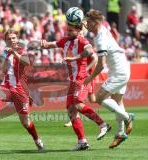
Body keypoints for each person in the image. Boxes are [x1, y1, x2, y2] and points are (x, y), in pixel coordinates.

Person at [40, 16, 111, 151]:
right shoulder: (65, 41)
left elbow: (90, 51)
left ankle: (103, 124)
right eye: (67, 30)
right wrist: (44, 44)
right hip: (72, 81)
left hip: (81, 78)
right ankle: (82, 141)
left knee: (78, 104)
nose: (68, 32)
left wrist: (74, 57)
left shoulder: (82, 41)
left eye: (71, 30)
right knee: (71, 110)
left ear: (78, 31)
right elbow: (52, 44)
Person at [0, 29, 45, 151]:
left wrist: (14, 53)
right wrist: (7, 57)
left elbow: (27, 62)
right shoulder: (6, 53)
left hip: (20, 89)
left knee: (25, 122)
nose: (11, 40)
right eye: (8, 39)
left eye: (13, 38)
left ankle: (37, 140)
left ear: (17, 39)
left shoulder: (23, 50)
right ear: (6, 41)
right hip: (7, 85)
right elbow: (5, 71)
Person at [84, 9, 135, 149]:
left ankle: (127, 117)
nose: (86, 24)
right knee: (117, 101)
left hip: (119, 72)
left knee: (99, 98)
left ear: (95, 22)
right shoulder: (102, 29)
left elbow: (101, 65)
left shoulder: (100, 38)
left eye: (88, 22)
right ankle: (120, 133)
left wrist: (90, 78)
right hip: (122, 67)